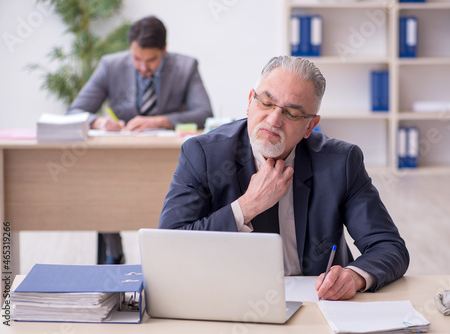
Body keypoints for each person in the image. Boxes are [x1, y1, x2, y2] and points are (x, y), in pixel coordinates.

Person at [158, 56, 409, 300]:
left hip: (320, 304)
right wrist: (247, 207)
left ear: (310, 126)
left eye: (291, 113)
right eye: (266, 103)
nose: (274, 120)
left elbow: (389, 246)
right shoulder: (203, 154)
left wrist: (353, 277)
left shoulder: (341, 161)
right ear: (249, 101)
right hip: (231, 299)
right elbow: (169, 244)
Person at [68, 16, 213, 264]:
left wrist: (160, 120)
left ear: (164, 51)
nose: (142, 67)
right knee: (105, 187)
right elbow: (75, 112)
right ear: (130, 49)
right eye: (136, 59)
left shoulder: (185, 67)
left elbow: (204, 113)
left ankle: (168, 255)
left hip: (169, 162)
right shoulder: (110, 65)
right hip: (120, 160)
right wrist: (99, 122)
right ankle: (114, 251)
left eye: (151, 60)